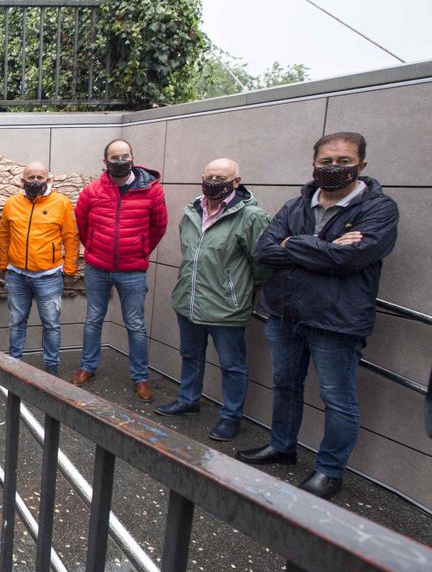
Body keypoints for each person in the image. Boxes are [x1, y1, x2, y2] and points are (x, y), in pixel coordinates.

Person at [237, 133, 399, 499]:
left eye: (343, 161)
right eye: (326, 161)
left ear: (362, 165)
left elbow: (351, 258)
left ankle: (329, 470)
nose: (334, 168)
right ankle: (282, 446)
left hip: (336, 321)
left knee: (337, 397)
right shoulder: (297, 206)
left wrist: (291, 245)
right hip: (286, 315)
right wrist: (320, 248)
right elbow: (265, 249)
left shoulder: (378, 209)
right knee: (286, 385)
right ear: (314, 164)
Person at [154, 159, 270, 443]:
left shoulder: (252, 217)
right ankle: (188, 399)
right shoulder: (191, 211)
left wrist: (241, 293)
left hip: (226, 308)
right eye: (209, 176)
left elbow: (263, 263)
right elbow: (189, 252)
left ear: (236, 182)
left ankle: (231, 417)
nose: (214, 181)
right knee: (190, 355)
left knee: (232, 365)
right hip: (189, 301)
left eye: (221, 177)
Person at [71, 139, 168, 403]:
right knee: (93, 319)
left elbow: (159, 227)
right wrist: (93, 247)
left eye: (125, 156)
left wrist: (139, 250)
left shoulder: (152, 191)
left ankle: (141, 377)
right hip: (98, 267)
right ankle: (88, 367)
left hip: (132, 270)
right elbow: (82, 222)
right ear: (105, 162)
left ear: (133, 157)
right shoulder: (92, 191)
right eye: (115, 157)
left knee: (135, 324)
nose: (120, 161)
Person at [0, 162, 78, 376]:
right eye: (30, 177)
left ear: (48, 179)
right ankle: (14, 366)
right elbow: (4, 236)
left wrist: (69, 269)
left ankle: (51, 369)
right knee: (16, 322)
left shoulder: (62, 204)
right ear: (22, 180)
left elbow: (71, 238)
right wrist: (3, 264)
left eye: (40, 177)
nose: (35, 181)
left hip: (48, 277)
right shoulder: (11, 203)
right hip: (16, 275)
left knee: (51, 324)